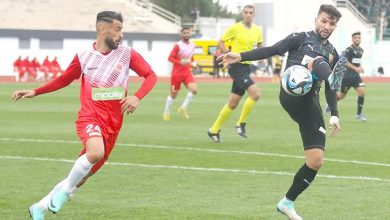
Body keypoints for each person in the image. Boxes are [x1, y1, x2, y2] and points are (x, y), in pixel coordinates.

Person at [12, 11, 157, 219]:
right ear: (102, 29)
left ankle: (39, 207)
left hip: (113, 124)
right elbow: (64, 79)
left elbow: (150, 75)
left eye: (121, 30)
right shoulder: (84, 56)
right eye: (117, 29)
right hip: (90, 117)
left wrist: (137, 96)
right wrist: (35, 91)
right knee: (95, 152)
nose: (120, 34)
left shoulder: (127, 54)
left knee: (83, 176)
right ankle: (64, 193)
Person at [217, 4, 346, 219]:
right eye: (324, 21)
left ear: (335, 26)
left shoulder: (332, 52)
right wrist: (240, 56)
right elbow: (272, 50)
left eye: (331, 24)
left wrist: (334, 113)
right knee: (317, 62)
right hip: (291, 94)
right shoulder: (299, 38)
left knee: (316, 160)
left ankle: (287, 202)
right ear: (316, 19)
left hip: (309, 104)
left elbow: (331, 90)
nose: (326, 26)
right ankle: (322, 71)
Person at [207, 5, 262, 142]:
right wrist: (227, 54)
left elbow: (260, 46)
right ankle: (240, 124)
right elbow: (220, 41)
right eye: (246, 12)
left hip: (246, 67)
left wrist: (261, 56)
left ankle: (213, 130)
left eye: (251, 12)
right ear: (242, 14)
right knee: (255, 94)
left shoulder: (257, 30)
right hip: (236, 66)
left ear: (253, 14)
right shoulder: (235, 28)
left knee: (232, 103)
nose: (248, 14)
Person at [329, 31, 367, 121]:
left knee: (362, 92)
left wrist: (360, 68)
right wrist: (355, 68)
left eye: (359, 37)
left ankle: (359, 115)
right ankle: (330, 104)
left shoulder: (361, 50)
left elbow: (356, 62)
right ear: (352, 39)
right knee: (342, 95)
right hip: (348, 76)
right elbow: (345, 62)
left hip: (356, 76)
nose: (358, 39)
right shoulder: (349, 49)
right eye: (356, 38)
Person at [162, 27, 197, 121]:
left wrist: (194, 63)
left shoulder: (193, 45)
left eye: (188, 33)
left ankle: (183, 108)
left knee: (194, 90)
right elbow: (170, 58)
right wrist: (180, 62)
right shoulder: (178, 45)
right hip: (176, 75)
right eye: (184, 33)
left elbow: (191, 57)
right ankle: (166, 112)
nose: (186, 34)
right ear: (181, 34)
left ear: (191, 33)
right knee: (173, 95)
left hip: (187, 73)